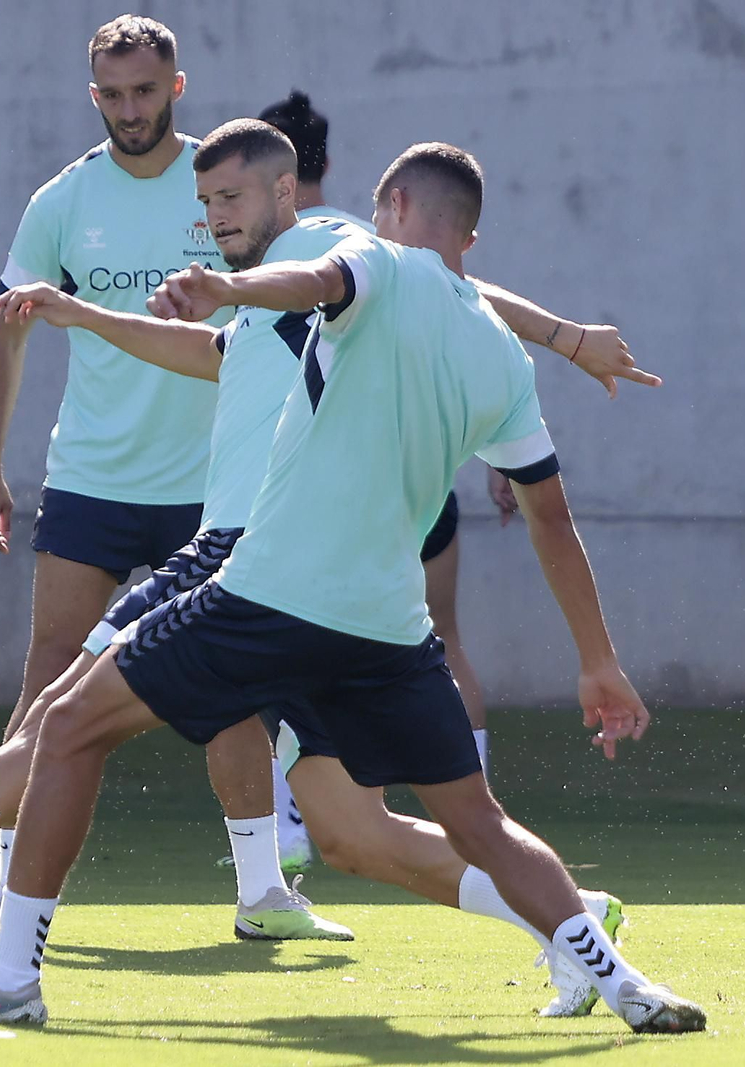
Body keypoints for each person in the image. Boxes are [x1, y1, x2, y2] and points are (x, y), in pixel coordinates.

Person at [0, 122, 638, 1014]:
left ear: (294, 191)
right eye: (206, 201)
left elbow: (448, 277)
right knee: (352, 835)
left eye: (230, 197)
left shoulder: (334, 248)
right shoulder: (297, 290)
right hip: (336, 595)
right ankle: (569, 920)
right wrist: (84, 315)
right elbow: (221, 354)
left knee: (65, 716)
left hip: (250, 552)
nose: (213, 216)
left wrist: (567, 337)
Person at [0, 14, 337, 941]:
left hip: (212, 488)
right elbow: (10, 330)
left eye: (145, 91)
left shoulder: (223, 183)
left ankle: (263, 895)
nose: (130, 110)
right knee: (50, 676)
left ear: (177, 86)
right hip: (90, 477)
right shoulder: (60, 200)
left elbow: (300, 307)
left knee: (229, 693)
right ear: (93, 95)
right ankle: (7, 894)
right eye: (112, 94)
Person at [256, 90, 658, 870]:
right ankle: (534, 883)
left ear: (395, 206)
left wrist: (217, 292)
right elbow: (551, 517)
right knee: (404, 812)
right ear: (471, 237)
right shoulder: (497, 347)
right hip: (393, 585)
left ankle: (277, 842)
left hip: (302, 571)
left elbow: (372, 282)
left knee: (86, 711)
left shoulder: (359, 259)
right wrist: (598, 659)